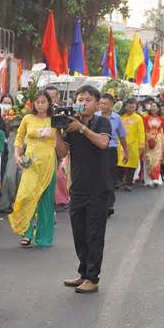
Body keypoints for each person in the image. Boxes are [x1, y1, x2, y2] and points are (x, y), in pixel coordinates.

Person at [55, 85, 112, 294]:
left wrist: (81, 128)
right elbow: (61, 153)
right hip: (78, 187)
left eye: (88, 99)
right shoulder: (71, 124)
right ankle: (83, 273)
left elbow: (103, 143)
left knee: (94, 234)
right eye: (80, 98)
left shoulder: (102, 122)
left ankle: (93, 278)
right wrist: (57, 129)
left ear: (97, 104)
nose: (83, 102)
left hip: (99, 188)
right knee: (79, 233)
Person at [8, 90, 57, 247]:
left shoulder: (54, 120)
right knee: (25, 196)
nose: (40, 104)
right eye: (37, 102)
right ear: (33, 104)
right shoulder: (27, 118)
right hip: (31, 164)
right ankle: (26, 231)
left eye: (43, 101)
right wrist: (17, 156)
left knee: (45, 200)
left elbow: (61, 140)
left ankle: (44, 236)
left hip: (48, 164)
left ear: (49, 103)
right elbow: (19, 139)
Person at [96, 93, 128, 216]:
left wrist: (126, 151)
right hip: (97, 149)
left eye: (106, 104)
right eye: (101, 103)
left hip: (111, 150)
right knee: (97, 177)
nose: (103, 106)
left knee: (109, 177)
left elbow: (122, 136)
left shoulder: (117, 118)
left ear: (112, 105)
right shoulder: (95, 116)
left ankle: (109, 204)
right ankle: (98, 203)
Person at [117, 98, 145, 191]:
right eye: (129, 107)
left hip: (133, 145)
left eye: (133, 107)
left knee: (132, 165)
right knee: (119, 164)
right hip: (121, 144)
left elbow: (141, 132)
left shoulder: (138, 118)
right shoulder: (121, 117)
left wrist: (141, 145)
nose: (131, 109)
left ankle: (128, 183)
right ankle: (118, 181)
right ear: (125, 107)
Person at [142, 102, 164, 187]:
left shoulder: (162, 119)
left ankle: (156, 178)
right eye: (152, 106)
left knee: (157, 159)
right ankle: (148, 180)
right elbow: (143, 130)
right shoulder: (145, 118)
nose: (153, 108)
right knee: (148, 159)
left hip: (158, 141)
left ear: (158, 109)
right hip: (148, 140)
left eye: (155, 107)